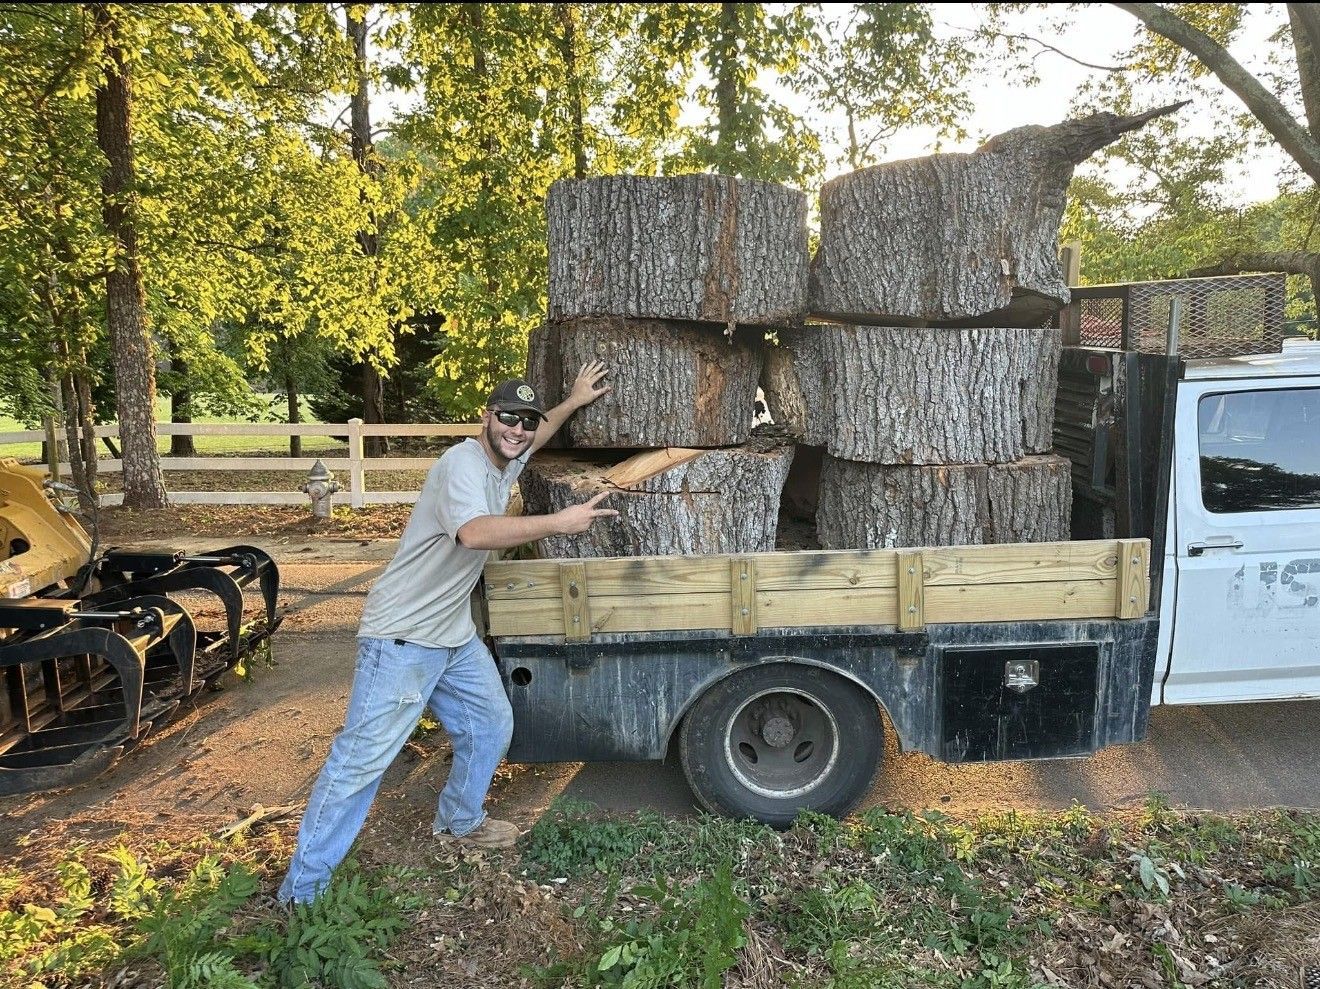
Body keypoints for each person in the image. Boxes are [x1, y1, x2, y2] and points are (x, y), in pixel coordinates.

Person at [279, 362, 617, 904]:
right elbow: (473, 532)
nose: (519, 430)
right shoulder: (462, 465)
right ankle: (302, 893)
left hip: (451, 636)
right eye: (509, 418)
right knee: (360, 763)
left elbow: (538, 433)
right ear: (487, 416)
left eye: (526, 422)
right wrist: (561, 522)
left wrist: (573, 400)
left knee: (489, 724)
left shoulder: (501, 459)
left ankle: (459, 822)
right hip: (402, 639)